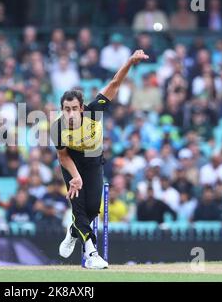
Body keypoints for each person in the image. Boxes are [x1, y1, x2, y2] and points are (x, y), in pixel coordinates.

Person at [51, 49, 149, 269]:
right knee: (78, 206)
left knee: (93, 208)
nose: (70, 114)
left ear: (82, 108)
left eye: (74, 109)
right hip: (72, 165)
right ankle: (91, 253)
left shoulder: (95, 111)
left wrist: (131, 62)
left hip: (94, 161)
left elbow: (114, 84)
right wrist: (75, 177)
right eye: (66, 109)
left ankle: (74, 231)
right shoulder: (57, 127)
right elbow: (63, 156)